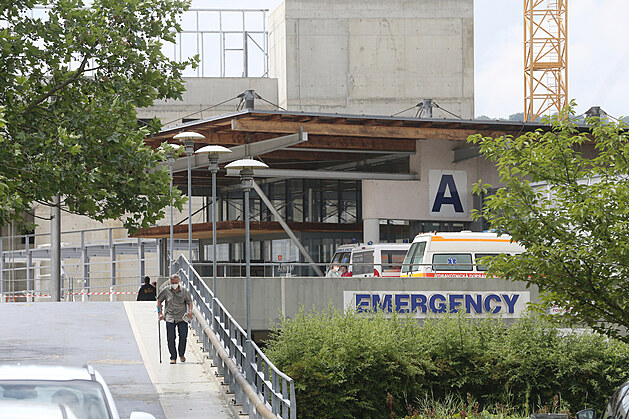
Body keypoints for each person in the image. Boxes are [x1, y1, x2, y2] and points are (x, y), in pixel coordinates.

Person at [157, 274, 193, 364]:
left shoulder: (184, 291)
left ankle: (181, 354)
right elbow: (159, 301)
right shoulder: (166, 291)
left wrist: (190, 311)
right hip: (170, 317)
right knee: (171, 338)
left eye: (176, 283)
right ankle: (173, 357)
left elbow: (189, 301)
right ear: (170, 282)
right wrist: (160, 313)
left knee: (183, 337)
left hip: (182, 317)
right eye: (173, 283)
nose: (174, 284)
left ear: (179, 281)